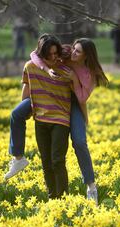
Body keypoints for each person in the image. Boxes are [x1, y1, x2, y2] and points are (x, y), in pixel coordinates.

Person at [5, 37, 108, 204]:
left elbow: (82, 98)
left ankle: (91, 186)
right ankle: (18, 158)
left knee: (80, 142)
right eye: (74, 48)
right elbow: (35, 54)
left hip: (73, 102)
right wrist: (46, 70)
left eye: (78, 51)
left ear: (86, 55)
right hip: (46, 95)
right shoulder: (65, 53)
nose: (73, 52)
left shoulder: (89, 75)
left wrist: (74, 79)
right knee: (16, 114)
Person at [22, 34, 72, 199]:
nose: (53, 57)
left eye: (55, 53)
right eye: (48, 54)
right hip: (40, 120)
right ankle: (53, 197)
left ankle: (64, 197)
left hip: (61, 119)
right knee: (46, 162)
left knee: (57, 160)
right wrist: (24, 110)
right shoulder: (30, 67)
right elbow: (26, 90)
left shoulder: (65, 70)